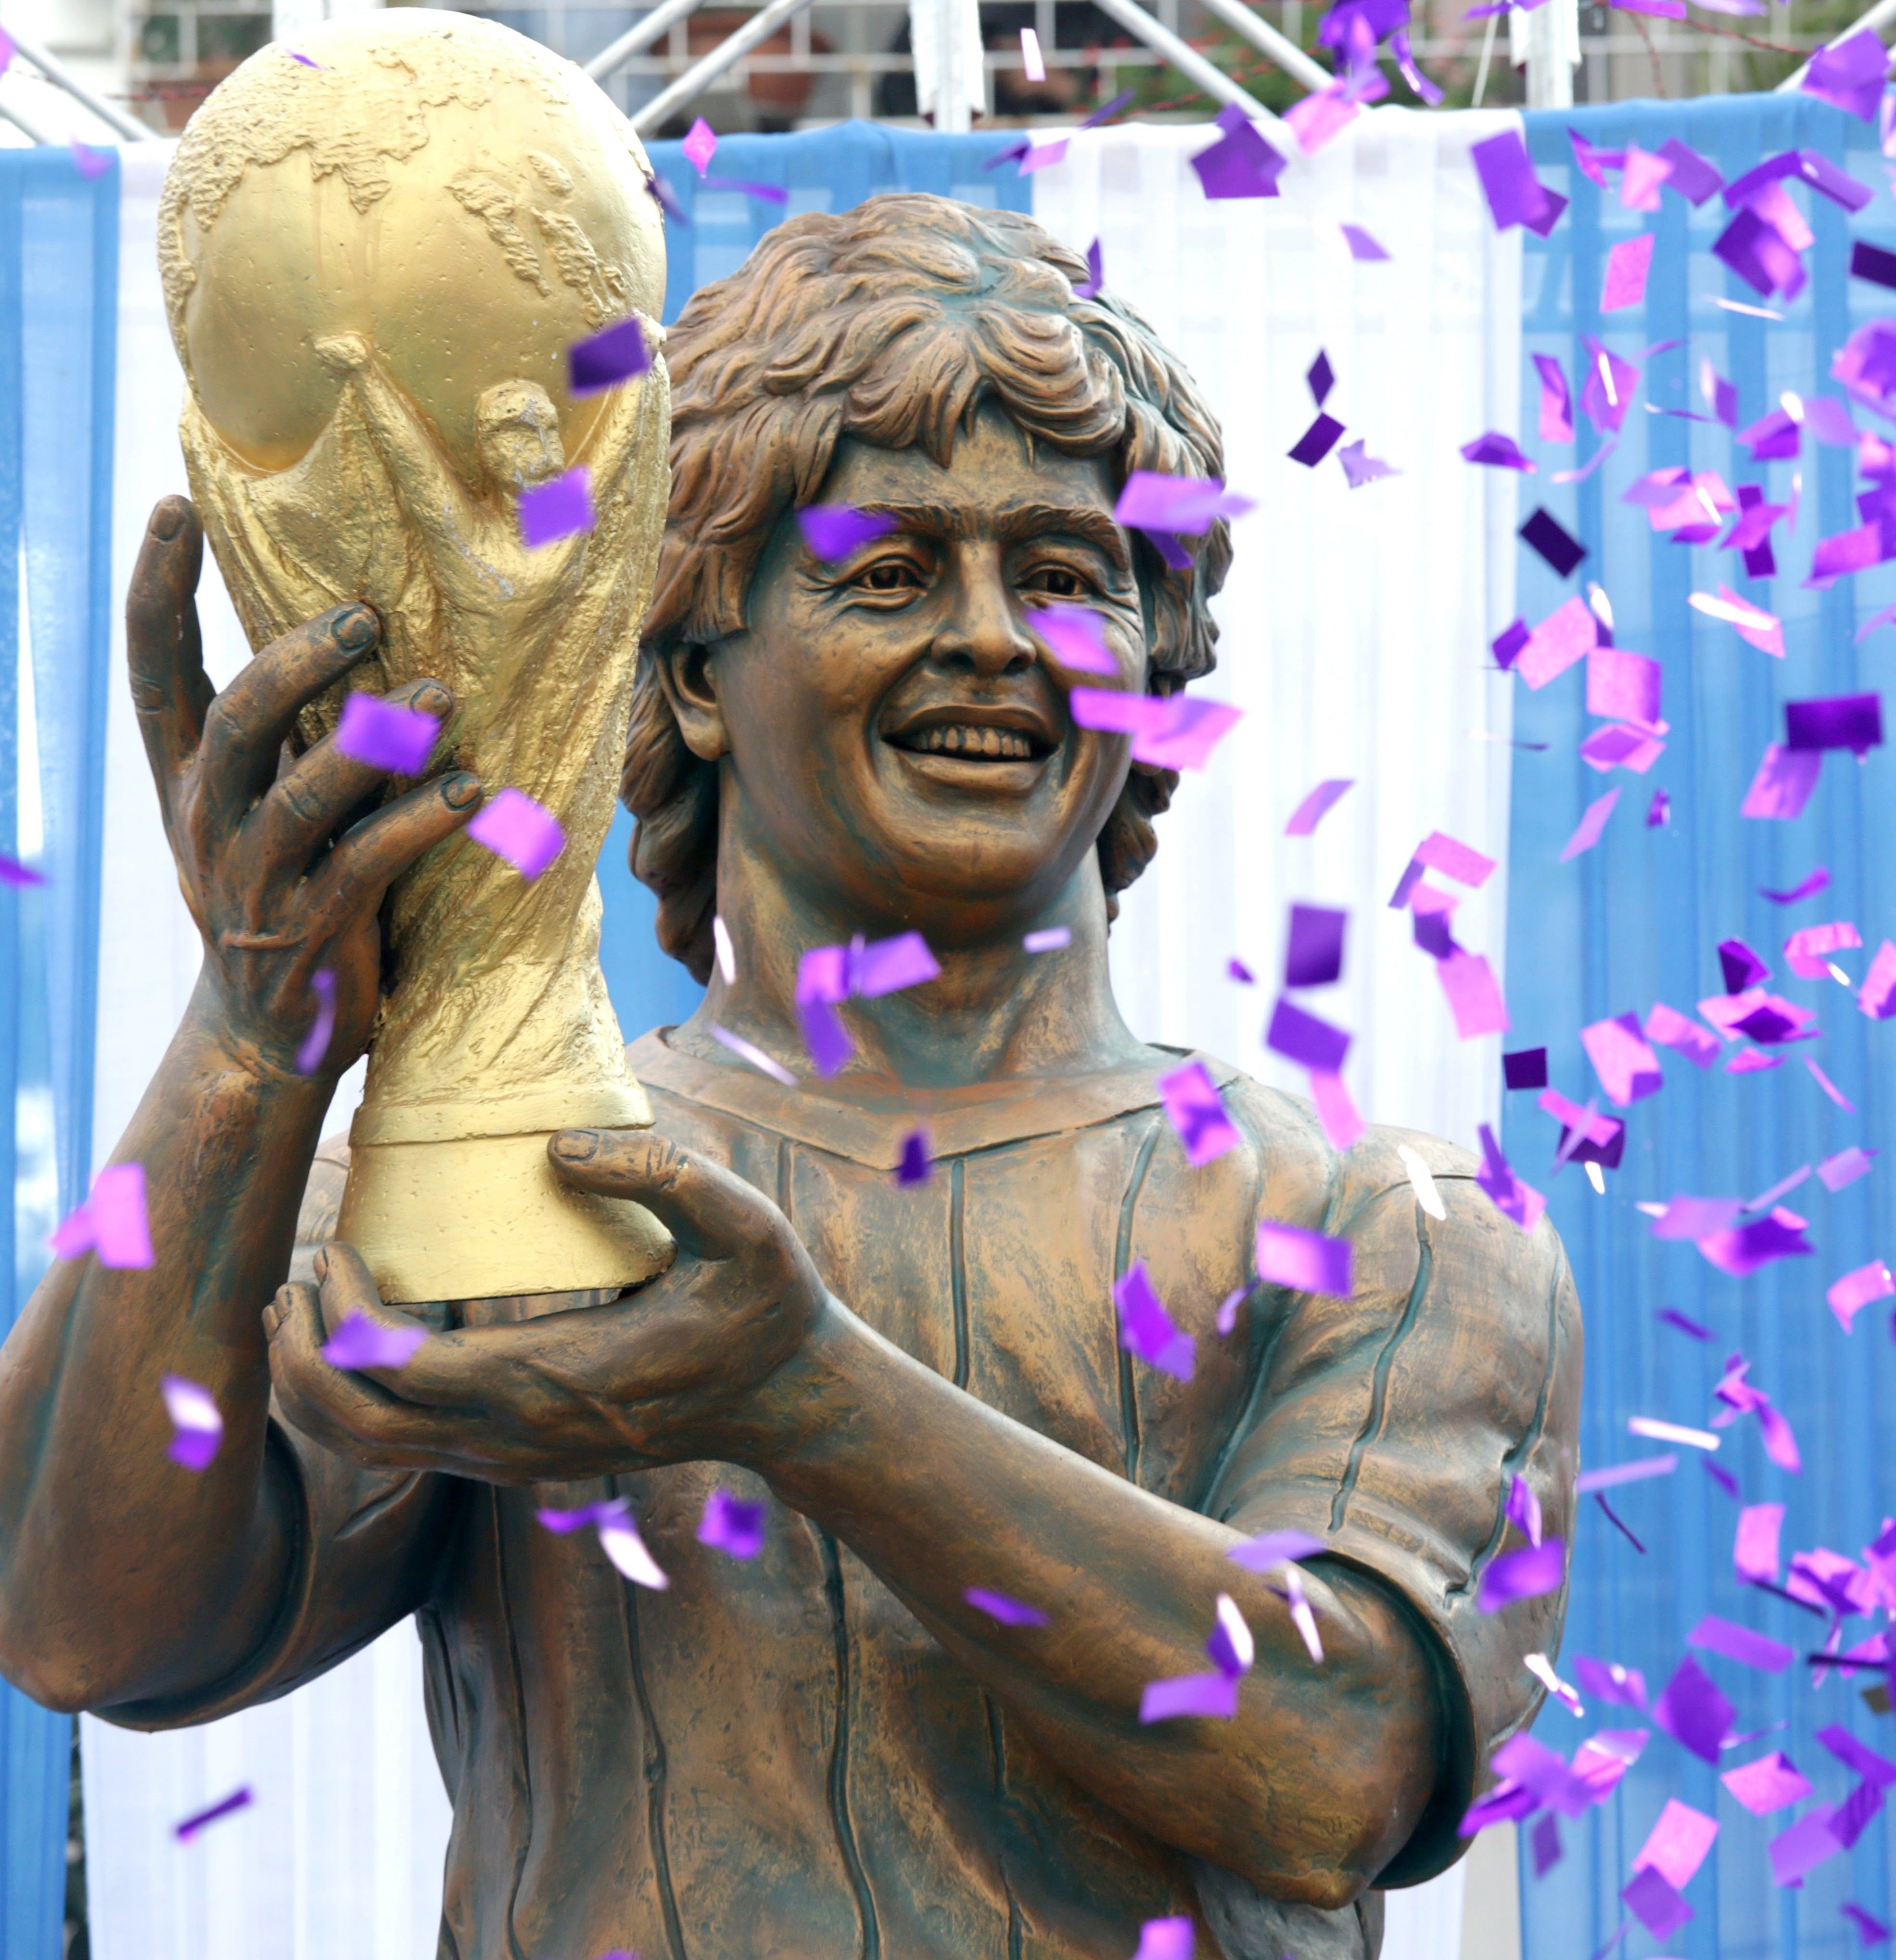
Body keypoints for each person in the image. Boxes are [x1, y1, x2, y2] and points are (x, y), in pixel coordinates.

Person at [0, 193, 1580, 1960]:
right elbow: (87, 1624)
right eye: (888, 569)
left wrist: (802, 1394)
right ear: (683, 667)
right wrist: (250, 1038)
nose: (993, 634)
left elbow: (1340, 1763)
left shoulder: (1390, 1222)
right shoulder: (488, 1172)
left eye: (1064, 576)